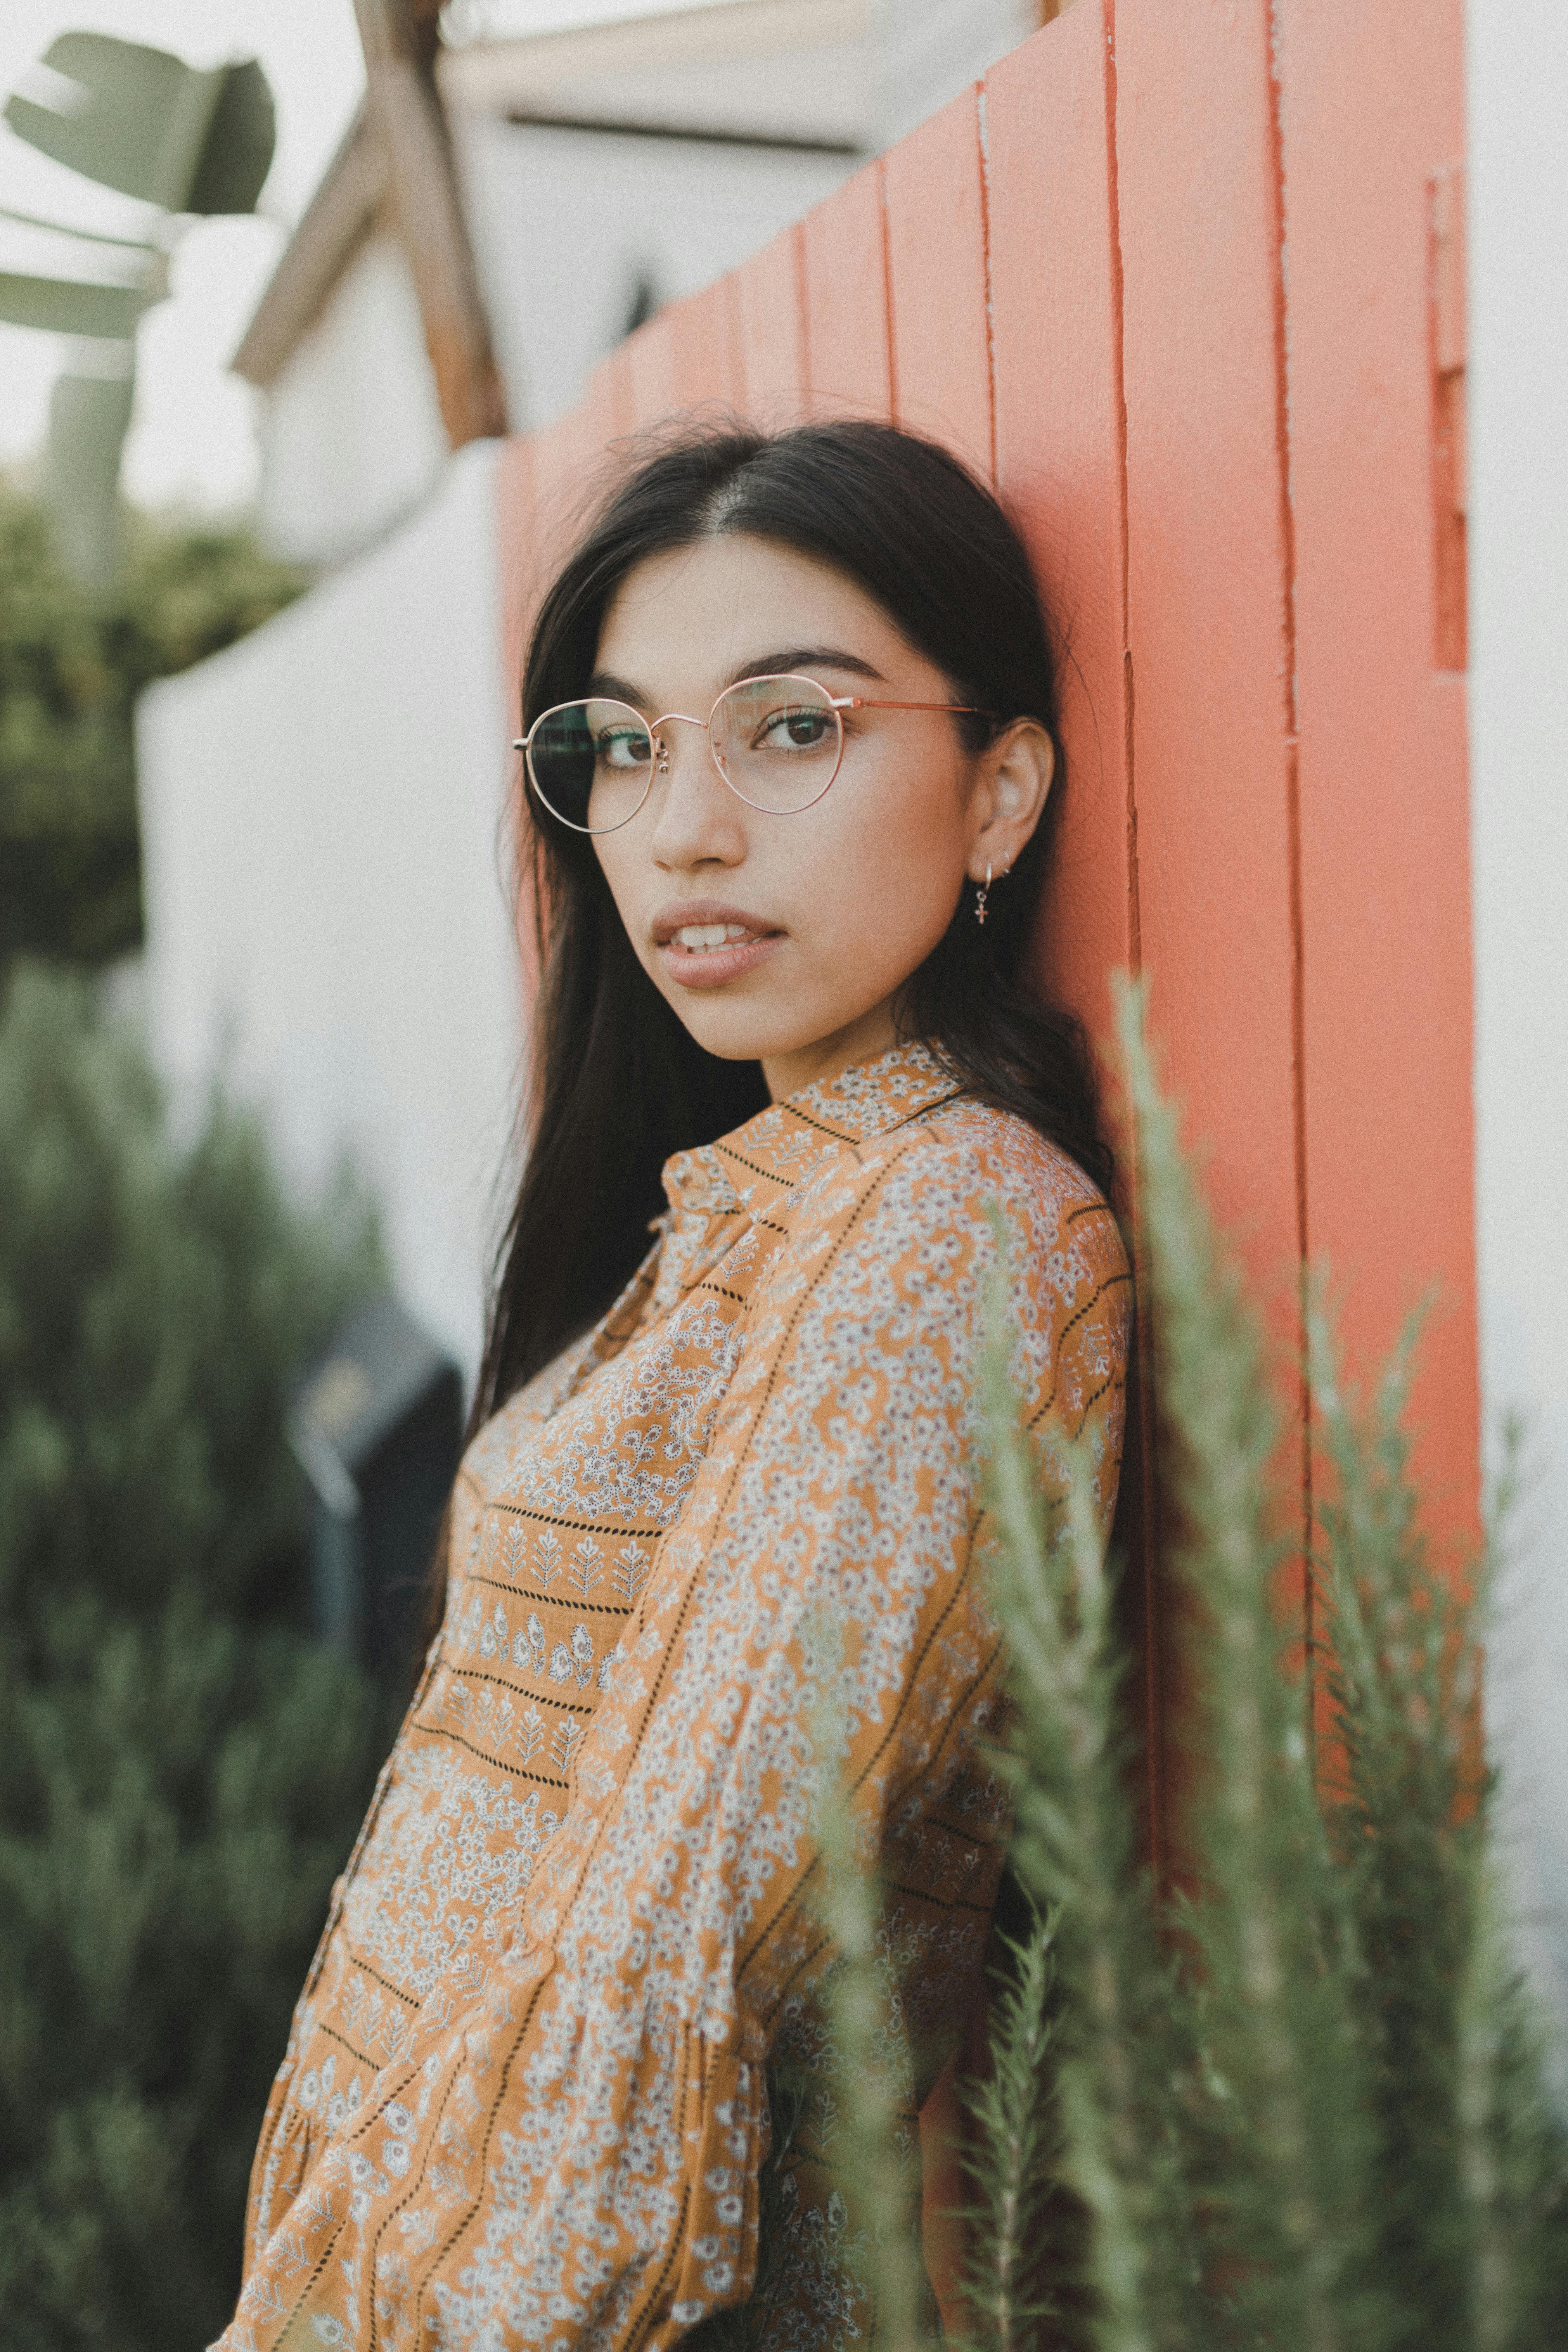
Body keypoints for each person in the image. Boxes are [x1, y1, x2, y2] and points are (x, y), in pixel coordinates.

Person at [217, 420, 1131, 2352]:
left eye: (791, 727)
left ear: (1001, 790)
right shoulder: (737, 1204)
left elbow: (656, 1958)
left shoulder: (947, 1226)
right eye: (621, 744)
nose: (684, 826)